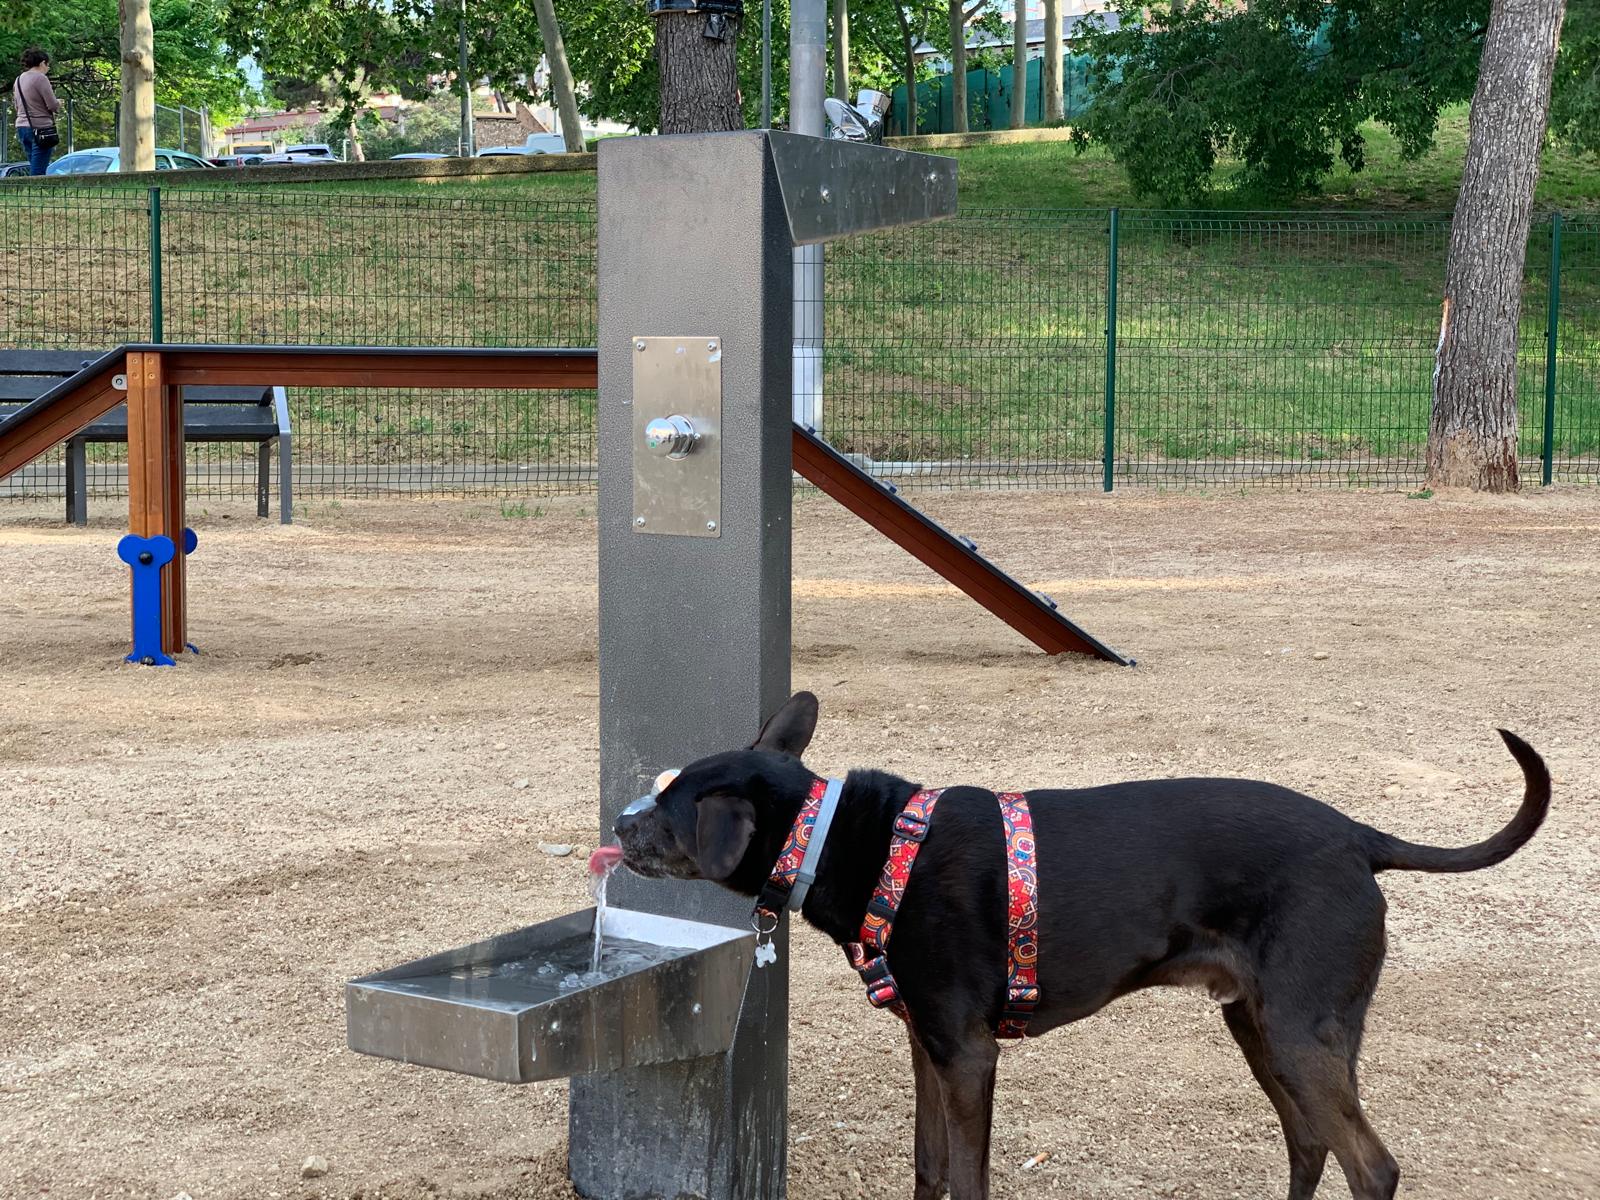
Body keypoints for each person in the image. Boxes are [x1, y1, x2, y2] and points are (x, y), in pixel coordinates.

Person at [12, 48, 60, 176]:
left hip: (22, 126)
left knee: (33, 162)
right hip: (41, 127)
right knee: (38, 169)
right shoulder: (41, 78)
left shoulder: (18, 80)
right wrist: (59, 104)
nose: (48, 68)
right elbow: (52, 105)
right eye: (47, 65)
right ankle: (36, 191)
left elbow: (17, 105)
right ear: (42, 63)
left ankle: (34, 191)